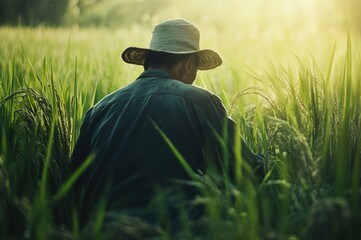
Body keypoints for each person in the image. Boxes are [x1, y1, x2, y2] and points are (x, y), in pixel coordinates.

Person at [69, 18, 261, 229]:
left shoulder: (99, 110)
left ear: (146, 62)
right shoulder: (199, 102)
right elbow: (246, 170)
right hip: (174, 231)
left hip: (104, 232)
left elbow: (74, 188)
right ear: (189, 65)